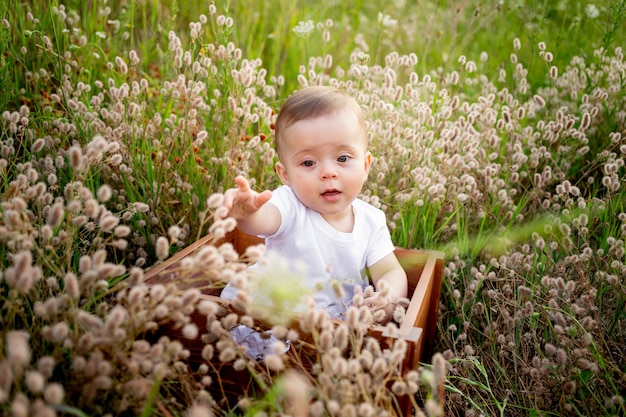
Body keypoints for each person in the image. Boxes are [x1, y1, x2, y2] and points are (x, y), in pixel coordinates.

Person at [218, 85, 407, 323]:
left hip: (333, 323)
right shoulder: (290, 205)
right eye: (308, 163)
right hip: (271, 313)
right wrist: (247, 213)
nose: (328, 172)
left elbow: (390, 270)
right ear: (285, 175)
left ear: (366, 166)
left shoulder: (371, 221)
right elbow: (265, 220)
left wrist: (387, 299)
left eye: (342, 158)